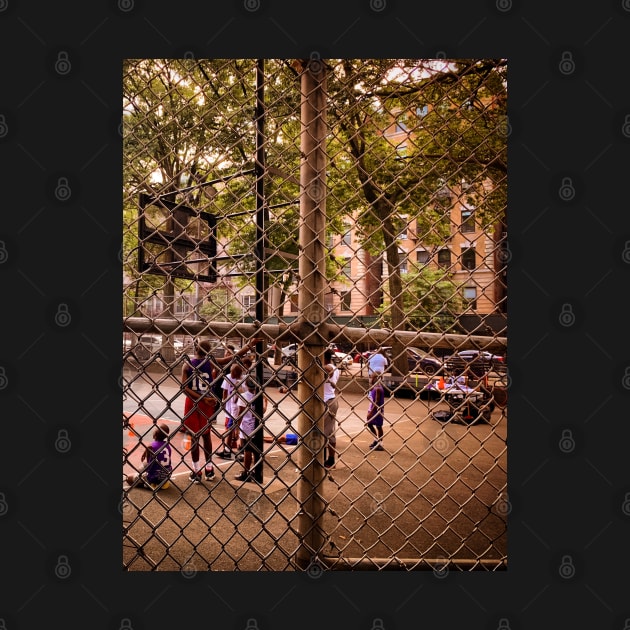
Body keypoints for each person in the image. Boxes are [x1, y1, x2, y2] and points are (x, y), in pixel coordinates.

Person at [181, 337, 258, 482]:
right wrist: (249, 345)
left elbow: (184, 387)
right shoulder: (210, 362)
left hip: (192, 402)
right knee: (206, 436)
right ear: (209, 352)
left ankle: (196, 471)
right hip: (207, 402)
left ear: (195, 349)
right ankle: (209, 469)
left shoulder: (188, 364)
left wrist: (200, 398)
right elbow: (233, 357)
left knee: (194, 438)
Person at [233, 377, 267, 482]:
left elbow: (241, 413)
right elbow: (263, 411)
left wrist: (237, 427)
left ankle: (246, 472)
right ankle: (256, 471)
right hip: (255, 426)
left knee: (247, 450)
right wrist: (266, 402)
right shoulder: (258, 396)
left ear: (246, 386)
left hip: (246, 427)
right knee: (254, 450)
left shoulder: (243, 397)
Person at [126, 423, 173, 490]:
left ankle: (145, 483)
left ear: (155, 434)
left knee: (128, 478)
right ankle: (145, 478)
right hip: (166, 475)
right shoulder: (167, 446)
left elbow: (149, 465)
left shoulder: (151, 446)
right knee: (145, 464)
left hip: (154, 477)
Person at [218, 362, 245, 459]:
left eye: (232, 372)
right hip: (232, 408)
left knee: (237, 429)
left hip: (239, 409)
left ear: (237, 373)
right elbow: (225, 391)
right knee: (231, 428)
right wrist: (224, 403)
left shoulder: (243, 380)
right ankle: (228, 450)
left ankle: (238, 450)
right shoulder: (228, 377)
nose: (231, 374)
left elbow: (239, 397)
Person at [322, 348, 340, 469]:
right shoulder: (333, 367)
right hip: (331, 400)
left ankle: (323, 459)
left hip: (327, 401)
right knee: (330, 432)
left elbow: (329, 371)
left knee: (321, 431)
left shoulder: (330, 367)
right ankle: (331, 459)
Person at [365, 373, 385, 451]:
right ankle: (376, 439)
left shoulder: (378, 389)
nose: (370, 379)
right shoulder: (375, 388)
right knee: (370, 424)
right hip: (372, 408)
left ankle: (380, 443)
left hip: (377, 410)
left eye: (372, 377)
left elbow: (376, 402)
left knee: (378, 426)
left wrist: (371, 412)